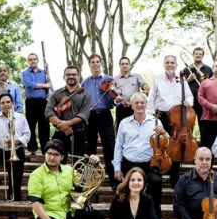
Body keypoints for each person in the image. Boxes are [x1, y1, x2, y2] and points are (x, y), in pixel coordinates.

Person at [20, 139, 105, 219]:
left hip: (69, 212)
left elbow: (82, 187)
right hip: (49, 215)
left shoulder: (69, 170)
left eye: (56, 154)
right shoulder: (36, 175)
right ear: (45, 154)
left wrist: (92, 165)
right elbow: (34, 202)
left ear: (62, 157)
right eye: (49, 153)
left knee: (98, 216)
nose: (52, 157)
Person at [113, 93, 167, 218]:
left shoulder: (156, 122)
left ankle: (155, 218)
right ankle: (126, 217)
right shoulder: (124, 123)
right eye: (136, 103)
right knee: (124, 188)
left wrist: (164, 133)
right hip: (128, 164)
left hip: (150, 163)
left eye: (142, 102)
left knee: (156, 181)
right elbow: (118, 146)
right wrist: (117, 168)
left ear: (146, 105)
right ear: (131, 106)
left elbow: (166, 144)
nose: (139, 105)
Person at [147, 55, 194, 189]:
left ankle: (175, 178)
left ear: (176, 65)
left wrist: (188, 102)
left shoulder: (182, 80)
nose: (170, 64)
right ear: (163, 64)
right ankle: (158, 175)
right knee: (159, 145)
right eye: (167, 62)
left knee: (175, 146)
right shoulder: (157, 79)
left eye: (172, 62)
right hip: (161, 116)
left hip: (177, 119)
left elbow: (190, 97)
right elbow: (151, 99)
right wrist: (151, 117)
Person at [82, 54, 119, 189]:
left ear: (101, 63)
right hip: (90, 116)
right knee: (89, 149)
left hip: (105, 116)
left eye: (98, 62)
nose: (96, 64)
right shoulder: (85, 82)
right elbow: (82, 100)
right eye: (93, 62)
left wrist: (117, 99)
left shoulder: (109, 80)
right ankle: (87, 180)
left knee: (109, 149)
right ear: (90, 64)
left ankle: (114, 182)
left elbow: (114, 100)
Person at [45, 65, 91, 160]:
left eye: (74, 74)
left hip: (78, 133)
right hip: (60, 132)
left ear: (79, 76)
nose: (71, 76)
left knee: (79, 165)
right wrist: (63, 126)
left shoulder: (86, 94)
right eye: (68, 74)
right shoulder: (57, 93)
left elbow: (83, 115)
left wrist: (67, 123)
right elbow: (48, 112)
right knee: (56, 163)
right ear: (64, 77)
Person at [21, 53, 52, 156]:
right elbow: (29, 85)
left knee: (44, 126)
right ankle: (32, 149)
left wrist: (48, 87)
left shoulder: (44, 73)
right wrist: (44, 85)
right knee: (30, 126)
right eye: (30, 59)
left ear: (38, 60)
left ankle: (45, 149)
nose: (32, 61)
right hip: (31, 102)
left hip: (43, 102)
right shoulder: (25, 73)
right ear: (28, 61)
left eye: (34, 59)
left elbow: (50, 86)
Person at [181, 47, 213, 124]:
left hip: (204, 100)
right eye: (196, 54)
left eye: (200, 54)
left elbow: (213, 84)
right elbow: (180, 85)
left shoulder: (208, 69)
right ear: (193, 55)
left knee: (203, 123)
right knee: (189, 123)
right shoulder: (186, 69)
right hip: (189, 101)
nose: (198, 55)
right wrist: (188, 80)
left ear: (203, 56)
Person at [113, 56, 148, 126]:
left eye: (126, 63)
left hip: (135, 107)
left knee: (137, 127)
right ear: (119, 66)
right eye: (122, 64)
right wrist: (117, 100)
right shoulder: (115, 79)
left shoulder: (137, 76)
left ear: (129, 65)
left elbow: (144, 85)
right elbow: (114, 96)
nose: (124, 65)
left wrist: (146, 90)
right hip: (122, 108)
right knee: (121, 128)